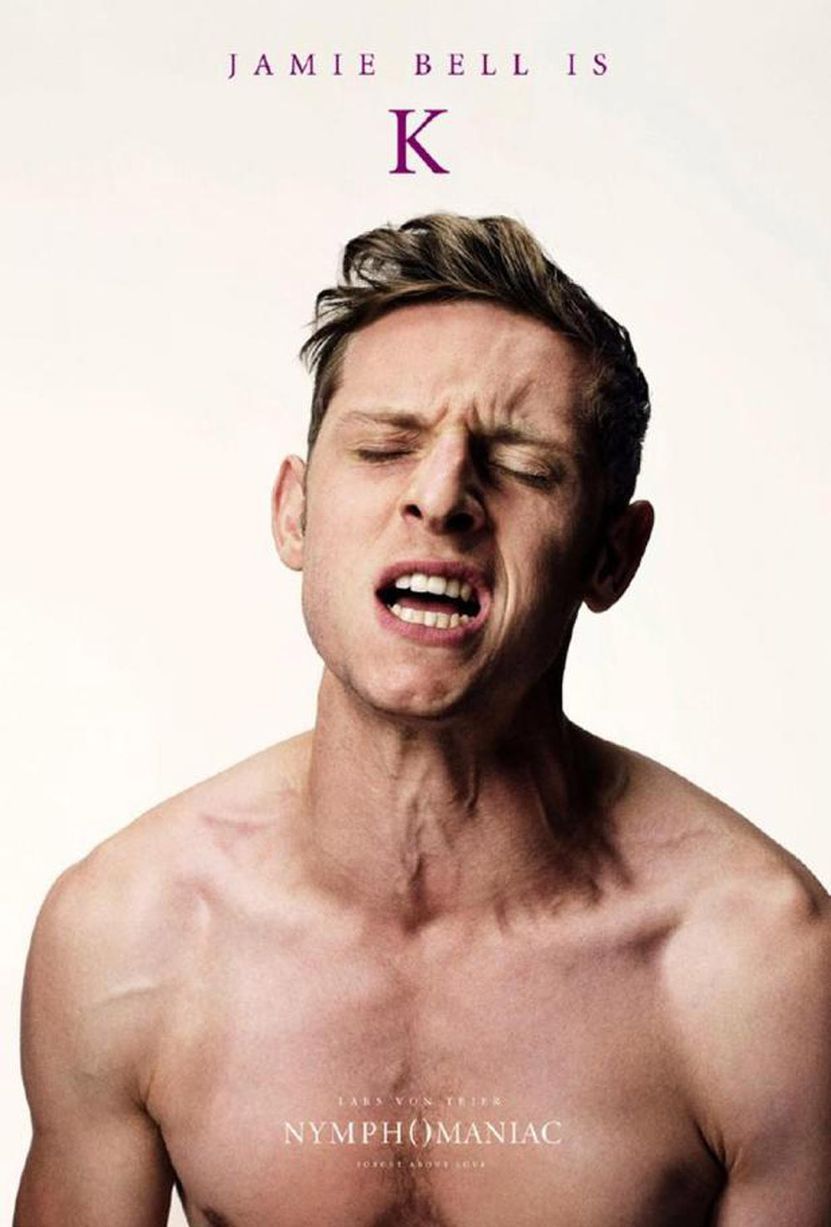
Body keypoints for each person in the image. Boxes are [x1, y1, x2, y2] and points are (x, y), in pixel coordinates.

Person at [14, 213, 830, 1227]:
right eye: (385, 447)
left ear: (610, 555)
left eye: (522, 464)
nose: (442, 497)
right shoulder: (129, 934)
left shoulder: (759, 969)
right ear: (294, 513)